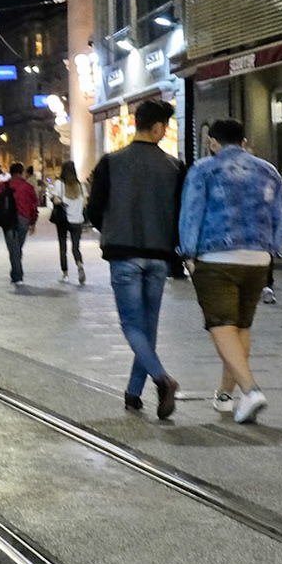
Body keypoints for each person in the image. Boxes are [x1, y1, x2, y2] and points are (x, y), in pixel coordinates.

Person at [180, 119, 282, 425]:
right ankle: (225, 396)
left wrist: (187, 253)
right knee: (240, 325)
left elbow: (192, 213)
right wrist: (273, 249)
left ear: (213, 141)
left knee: (220, 325)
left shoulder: (204, 169)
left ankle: (250, 390)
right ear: (244, 140)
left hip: (216, 256)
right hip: (258, 258)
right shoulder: (268, 170)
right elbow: (281, 214)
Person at [84, 99, 185, 419]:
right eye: (164, 126)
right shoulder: (174, 167)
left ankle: (161, 379)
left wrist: (112, 227)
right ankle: (133, 393)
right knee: (147, 326)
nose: (165, 131)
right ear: (156, 127)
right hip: (158, 256)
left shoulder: (110, 163)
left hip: (123, 253)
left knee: (131, 325)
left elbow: (93, 210)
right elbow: (181, 214)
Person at [0, 161, 40, 285]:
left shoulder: (3, 186)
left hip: (8, 219)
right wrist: (33, 222)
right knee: (18, 247)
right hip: (23, 219)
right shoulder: (28, 187)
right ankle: (16, 272)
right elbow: (33, 205)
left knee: (13, 248)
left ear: (10, 172)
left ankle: (17, 274)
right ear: (21, 172)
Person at [50, 161, 88, 284]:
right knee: (76, 247)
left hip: (63, 220)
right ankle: (79, 264)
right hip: (77, 220)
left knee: (63, 246)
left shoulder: (59, 184)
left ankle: (65, 274)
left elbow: (55, 200)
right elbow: (85, 202)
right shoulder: (81, 186)